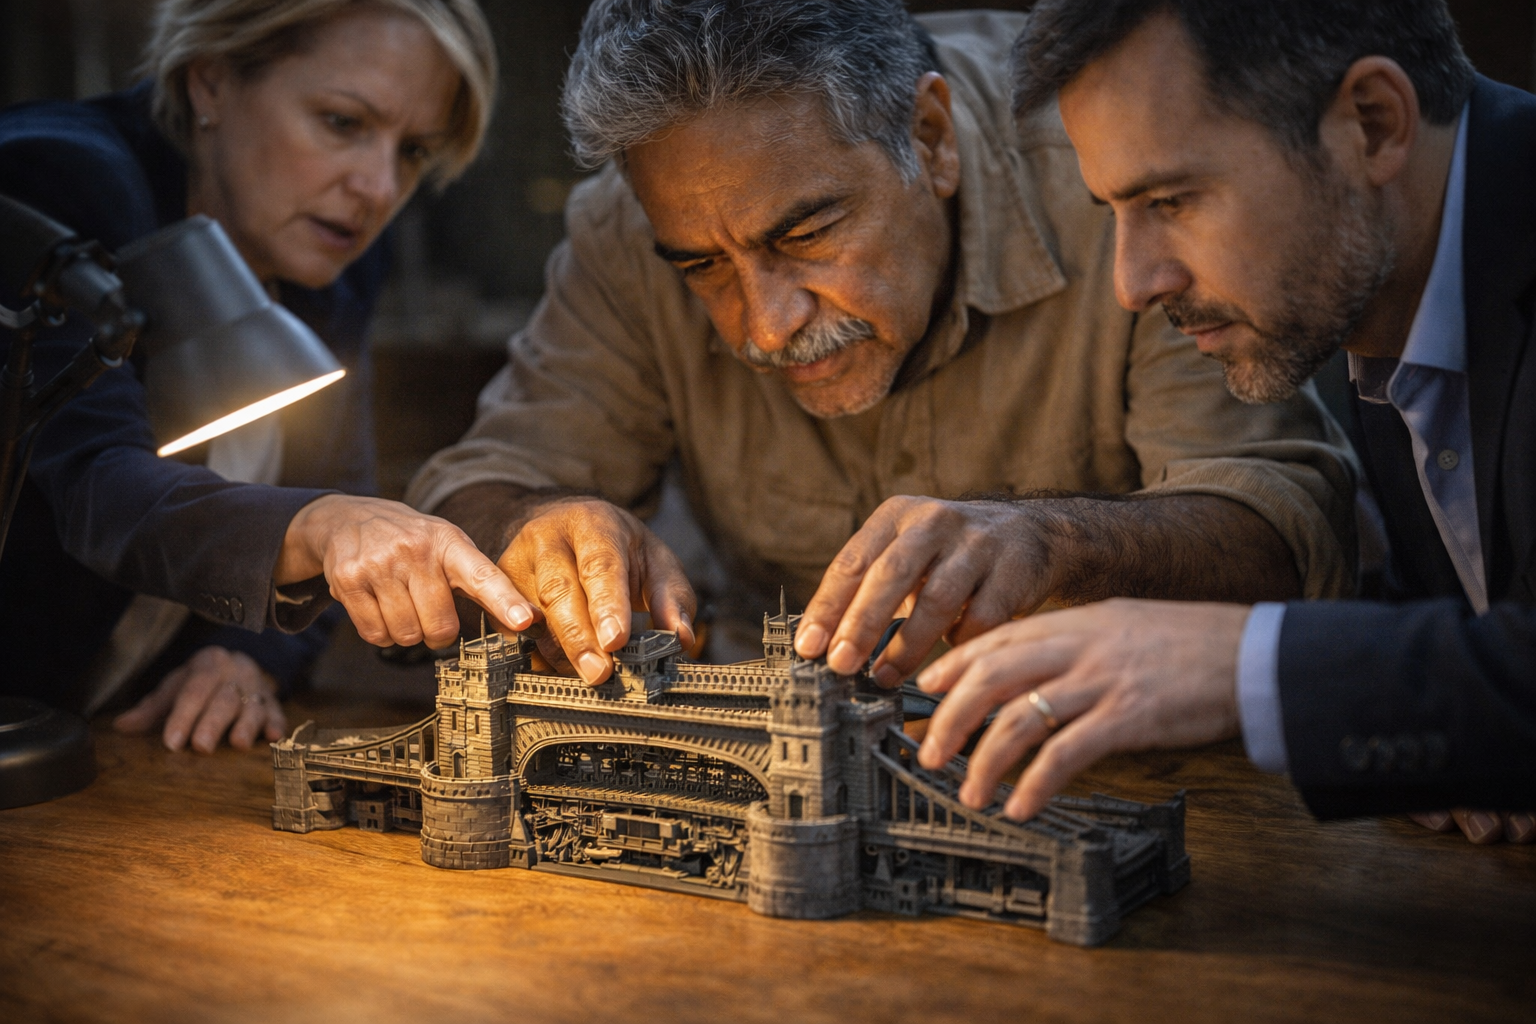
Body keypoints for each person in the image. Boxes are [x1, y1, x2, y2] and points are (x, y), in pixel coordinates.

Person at [408, 0, 1357, 694]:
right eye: (702, 268)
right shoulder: (633, 226)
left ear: (932, 138)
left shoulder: (1117, 185)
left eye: (807, 233)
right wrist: (536, 523)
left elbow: (1286, 527)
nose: (767, 325)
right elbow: (474, 490)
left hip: (1110, 754)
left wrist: (1057, 541)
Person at [915, 0, 1535, 845]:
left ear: (1374, 124)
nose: (1134, 283)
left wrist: (1241, 666)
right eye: (1114, 213)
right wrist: (1458, 738)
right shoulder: (1378, 284)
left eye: (1170, 200)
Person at [0, 0, 535, 754]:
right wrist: (318, 526)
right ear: (209, 82)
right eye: (344, 123)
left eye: (414, 151)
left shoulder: (327, 257)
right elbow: (97, 489)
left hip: (126, 746)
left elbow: (336, 488)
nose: (379, 188)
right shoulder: (54, 180)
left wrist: (247, 654)